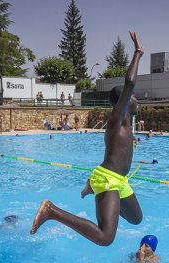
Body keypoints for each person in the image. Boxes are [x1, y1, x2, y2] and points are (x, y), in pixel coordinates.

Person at [30, 31, 144, 247]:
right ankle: (51, 210)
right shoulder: (117, 119)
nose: (137, 99)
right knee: (105, 237)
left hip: (119, 181)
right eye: (133, 97)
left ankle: (96, 188)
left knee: (136, 219)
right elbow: (129, 84)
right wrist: (138, 52)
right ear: (124, 101)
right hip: (109, 179)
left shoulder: (127, 123)